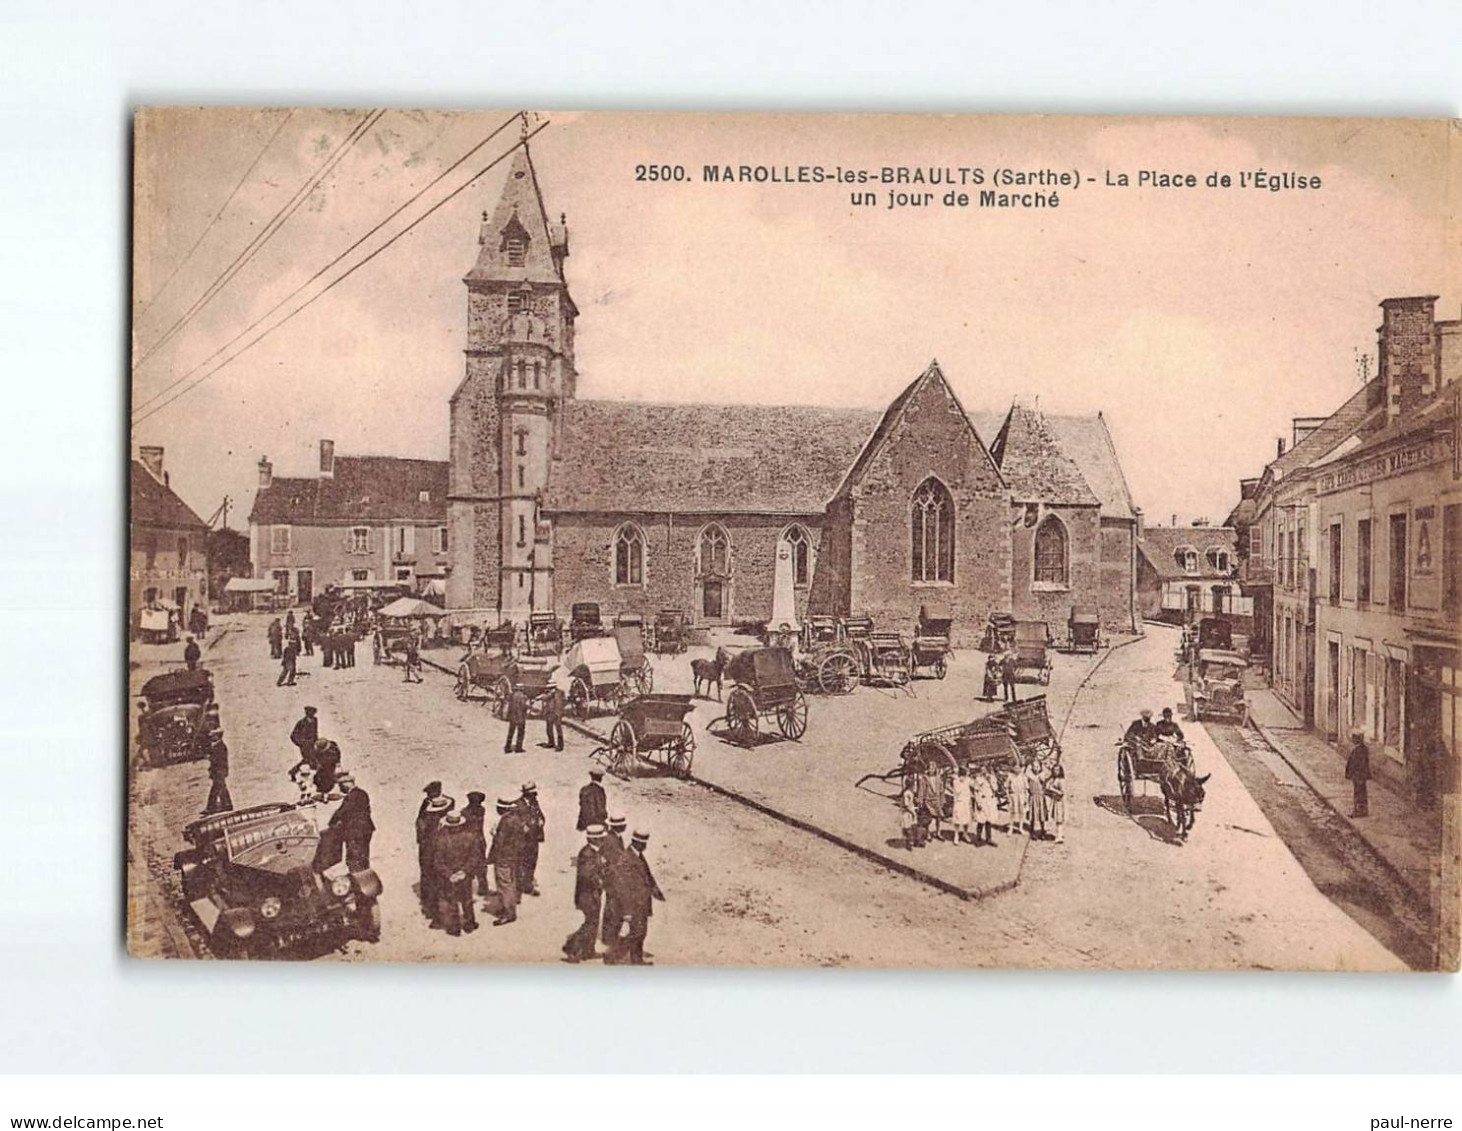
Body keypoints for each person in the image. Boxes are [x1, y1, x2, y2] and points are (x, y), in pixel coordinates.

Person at [609, 830, 665, 965]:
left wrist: (656, 891)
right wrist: (627, 911)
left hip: (641, 902)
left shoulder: (638, 855)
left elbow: (647, 876)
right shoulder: (626, 859)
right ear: (636, 842)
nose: (645, 846)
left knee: (640, 932)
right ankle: (613, 956)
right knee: (637, 933)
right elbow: (623, 888)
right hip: (633, 904)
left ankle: (636, 959)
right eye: (643, 843)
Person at [564, 824, 608, 962]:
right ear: (595, 839)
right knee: (590, 923)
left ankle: (589, 951)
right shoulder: (587, 854)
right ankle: (572, 947)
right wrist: (600, 880)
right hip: (587, 895)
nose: (602, 840)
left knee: (593, 923)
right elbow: (586, 875)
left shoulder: (594, 852)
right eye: (601, 838)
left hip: (593, 894)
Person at [433, 811, 480, 936]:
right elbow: (475, 857)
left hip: (450, 877)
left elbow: (438, 862)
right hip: (465, 875)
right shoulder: (471, 837)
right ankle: (470, 924)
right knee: (467, 899)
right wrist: (464, 871)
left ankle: (455, 928)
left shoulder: (441, 839)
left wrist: (449, 875)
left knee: (451, 901)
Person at [417, 793, 454, 926]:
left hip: (431, 858)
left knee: (431, 884)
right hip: (446, 861)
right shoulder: (449, 824)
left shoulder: (428, 825)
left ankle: (434, 915)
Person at [486, 796, 523, 925]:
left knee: (504, 884)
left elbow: (500, 842)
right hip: (513, 856)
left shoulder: (505, 821)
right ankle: (509, 908)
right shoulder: (517, 819)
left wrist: (494, 834)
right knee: (511, 882)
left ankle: (508, 913)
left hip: (504, 857)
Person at [328, 771, 375, 869]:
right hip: (362, 830)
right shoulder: (360, 794)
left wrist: (332, 821)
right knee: (361, 857)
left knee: (355, 858)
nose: (340, 788)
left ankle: (359, 878)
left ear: (347, 784)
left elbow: (344, 810)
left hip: (356, 831)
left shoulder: (354, 795)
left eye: (341, 785)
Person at [600, 815, 628, 948]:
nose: (625, 826)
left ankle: (609, 935)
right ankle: (609, 936)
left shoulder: (614, 837)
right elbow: (613, 861)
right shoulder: (612, 840)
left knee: (613, 906)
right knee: (613, 907)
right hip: (613, 878)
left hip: (613, 877)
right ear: (619, 826)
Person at [518, 782, 546, 896]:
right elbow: (517, 820)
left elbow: (541, 815)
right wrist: (524, 825)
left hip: (534, 837)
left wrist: (541, 820)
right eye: (532, 793)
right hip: (523, 839)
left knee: (532, 861)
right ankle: (520, 886)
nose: (534, 795)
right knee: (522, 862)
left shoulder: (535, 802)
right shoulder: (519, 804)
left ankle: (528, 885)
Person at [461, 790, 490, 899]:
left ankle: (477, 887)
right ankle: (483, 887)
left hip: (472, 841)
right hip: (478, 840)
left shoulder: (464, 812)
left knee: (472, 863)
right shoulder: (481, 810)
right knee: (480, 864)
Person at [1345, 732, 1371, 818]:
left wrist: (1355, 774)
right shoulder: (1360, 749)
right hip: (1358, 775)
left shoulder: (1360, 750)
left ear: (1357, 740)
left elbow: (1360, 764)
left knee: (1359, 793)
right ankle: (1361, 810)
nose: (1352, 740)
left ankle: (1359, 811)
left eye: (1354, 738)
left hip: (1359, 775)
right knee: (1360, 792)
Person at [203, 739, 232, 815]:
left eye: (213, 735)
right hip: (218, 771)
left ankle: (211, 807)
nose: (212, 737)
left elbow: (219, 760)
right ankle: (227, 805)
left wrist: (210, 758)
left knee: (215, 789)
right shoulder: (218, 746)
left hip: (219, 771)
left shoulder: (221, 747)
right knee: (221, 787)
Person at [971, 765, 997, 847]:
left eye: (985, 770)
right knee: (981, 820)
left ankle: (988, 838)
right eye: (982, 770)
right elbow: (976, 791)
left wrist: (990, 781)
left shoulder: (992, 778)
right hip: (982, 800)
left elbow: (995, 789)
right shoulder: (978, 779)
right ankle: (978, 839)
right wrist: (978, 802)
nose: (984, 772)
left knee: (989, 820)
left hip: (990, 800)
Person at [289, 707, 319, 777]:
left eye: (313, 712)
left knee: (310, 760)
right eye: (310, 712)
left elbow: (315, 733)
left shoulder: (315, 720)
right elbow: (293, 735)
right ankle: (294, 772)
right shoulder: (301, 723)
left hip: (312, 744)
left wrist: (316, 741)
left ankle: (294, 772)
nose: (312, 714)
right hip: (305, 746)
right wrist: (301, 743)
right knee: (307, 759)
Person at [1024, 757, 1048, 840]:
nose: (1036, 768)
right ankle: (1032, 831)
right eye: (1034, 766)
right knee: (1032, 814)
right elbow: (1026, 774)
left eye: (1037, 767)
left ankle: (1042, 831)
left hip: (1040, 797)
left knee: (1042, 814)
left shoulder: (1042, 775)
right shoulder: (1030, 776)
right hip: (1033, 797)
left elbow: (1046, 780)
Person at [1043, 758, 1067, 844]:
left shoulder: (1061, 781)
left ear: (1060, 771)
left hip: (1059, 802)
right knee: (1057, 818)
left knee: (1059, 819)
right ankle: (1059, 834)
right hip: (1055, 801)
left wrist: (1052, 789)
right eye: (1054, 770)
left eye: (1057, 770)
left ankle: (1059, 836)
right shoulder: (1054, 779)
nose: (1055, 772)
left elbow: (1062, 792)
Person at [950, 765, 974, 845]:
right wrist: (960, 781)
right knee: (958, 819)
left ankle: (965, 833)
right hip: (959, 802)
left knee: (966, 819)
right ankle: (956, 835)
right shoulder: (956, 781)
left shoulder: (968, 780)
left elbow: (973, 784)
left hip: (966, 802)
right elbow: (957, 791)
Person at [542, 678, 566, 751]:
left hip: (557, 713)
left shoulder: (560, 693)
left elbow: (561, 703)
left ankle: (560, 746)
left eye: (550, 688)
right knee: (549, 728)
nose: (549, 689)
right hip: (550, 712)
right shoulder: (549, 694)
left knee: (558, 730)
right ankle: (551, 742)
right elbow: (544, 698)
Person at [504, 684, 528, 753]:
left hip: (513, 717)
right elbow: (523, 706)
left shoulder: (512, 695)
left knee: (511, 733)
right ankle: (518, 748)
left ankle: (507, 747)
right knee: (520, 733)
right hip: (520, 717)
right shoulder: (523, 696)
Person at [1004, 765, 1026, 835]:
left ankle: (1021, 828)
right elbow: (1006, 787)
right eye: (1015, 768)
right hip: (1013, 795)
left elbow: (1026, 788)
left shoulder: (1023, 777)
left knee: (1022, 812)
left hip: (1021, 795)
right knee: (1012, 812)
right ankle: (1011, 828)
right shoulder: (1010, 776)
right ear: (1013, 768)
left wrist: (1026, 798)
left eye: (1018, 768)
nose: (1017, 769)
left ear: (1020, 769)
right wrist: (1008, 796)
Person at [899, 785, 919, 851]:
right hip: (907, 813)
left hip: (911, 811)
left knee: (913, 827)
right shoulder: (906, 793)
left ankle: (913, 841)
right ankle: (909, 843)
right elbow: (906, 805)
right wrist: (913, 812)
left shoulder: (911, 792)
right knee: (908, 828)